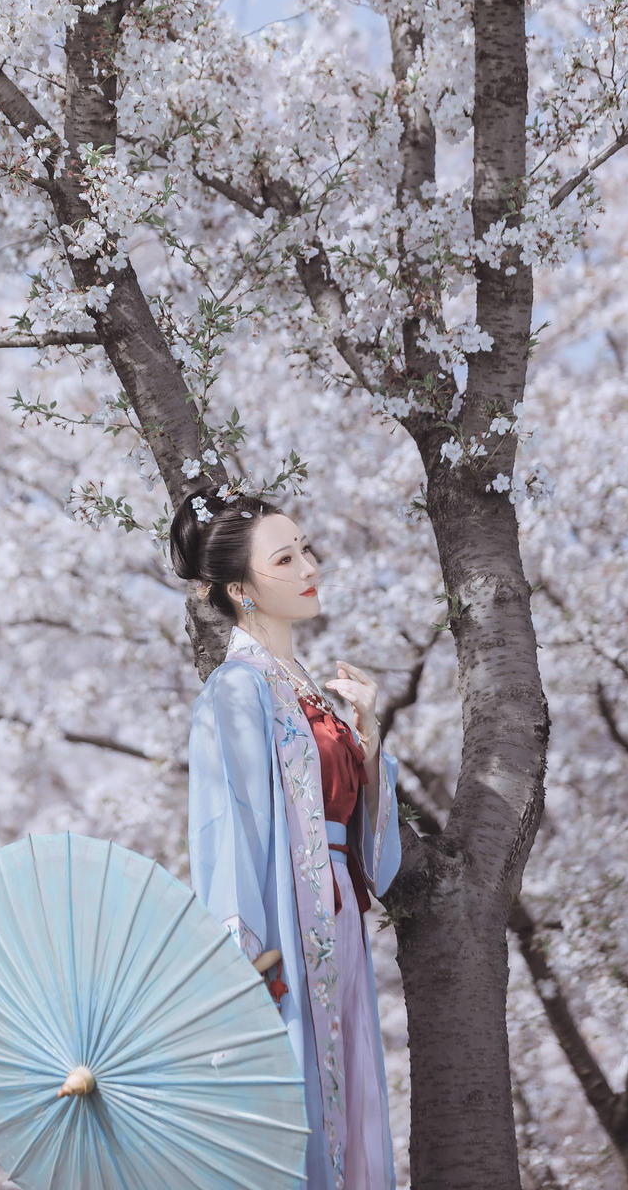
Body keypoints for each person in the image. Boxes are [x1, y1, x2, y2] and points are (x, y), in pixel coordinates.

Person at [170, 487, 401, 1190]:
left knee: (348, 1098)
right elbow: (227, 836)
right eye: (285, 557)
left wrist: (366, 740)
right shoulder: (236, 692)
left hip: (339, 918)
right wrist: (246, 970)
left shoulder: (314, 692)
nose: (309, 565)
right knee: (301, 1105)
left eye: (305, 548)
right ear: (239, 589)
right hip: (286, 934)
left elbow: (374, 855)